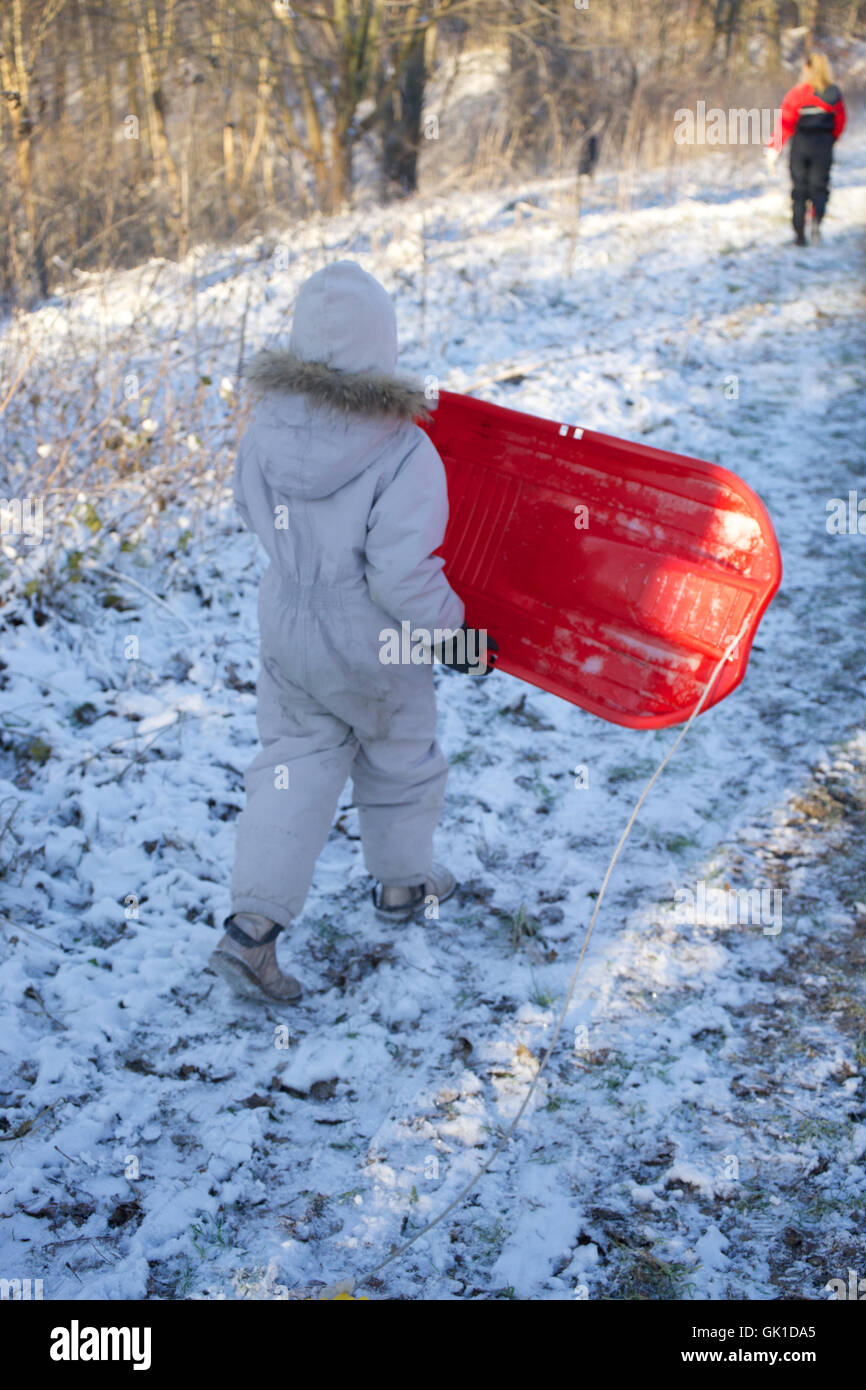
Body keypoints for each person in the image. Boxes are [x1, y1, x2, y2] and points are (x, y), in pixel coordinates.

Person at [209, 261, 497, 1003]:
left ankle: (251, 932)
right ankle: (402, 887)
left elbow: (248, 508)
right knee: (400, 753)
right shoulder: (402, 450)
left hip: (287, 620)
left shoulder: (265, 426)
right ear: (384, 350)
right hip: (376, 641)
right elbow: (401, 577)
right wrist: (454, 638)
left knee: (292, 762)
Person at [765, 51, 846, 246]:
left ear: (807, 69)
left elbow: (785, 122)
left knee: (800, 189)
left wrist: (774, 148)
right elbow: (840, 121)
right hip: (823, 145)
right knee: (819, 186)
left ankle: (799, 233)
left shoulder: (798, 93)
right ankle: (816, 221)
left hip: (801, 144)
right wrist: (831, 140)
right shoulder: (833, 93)